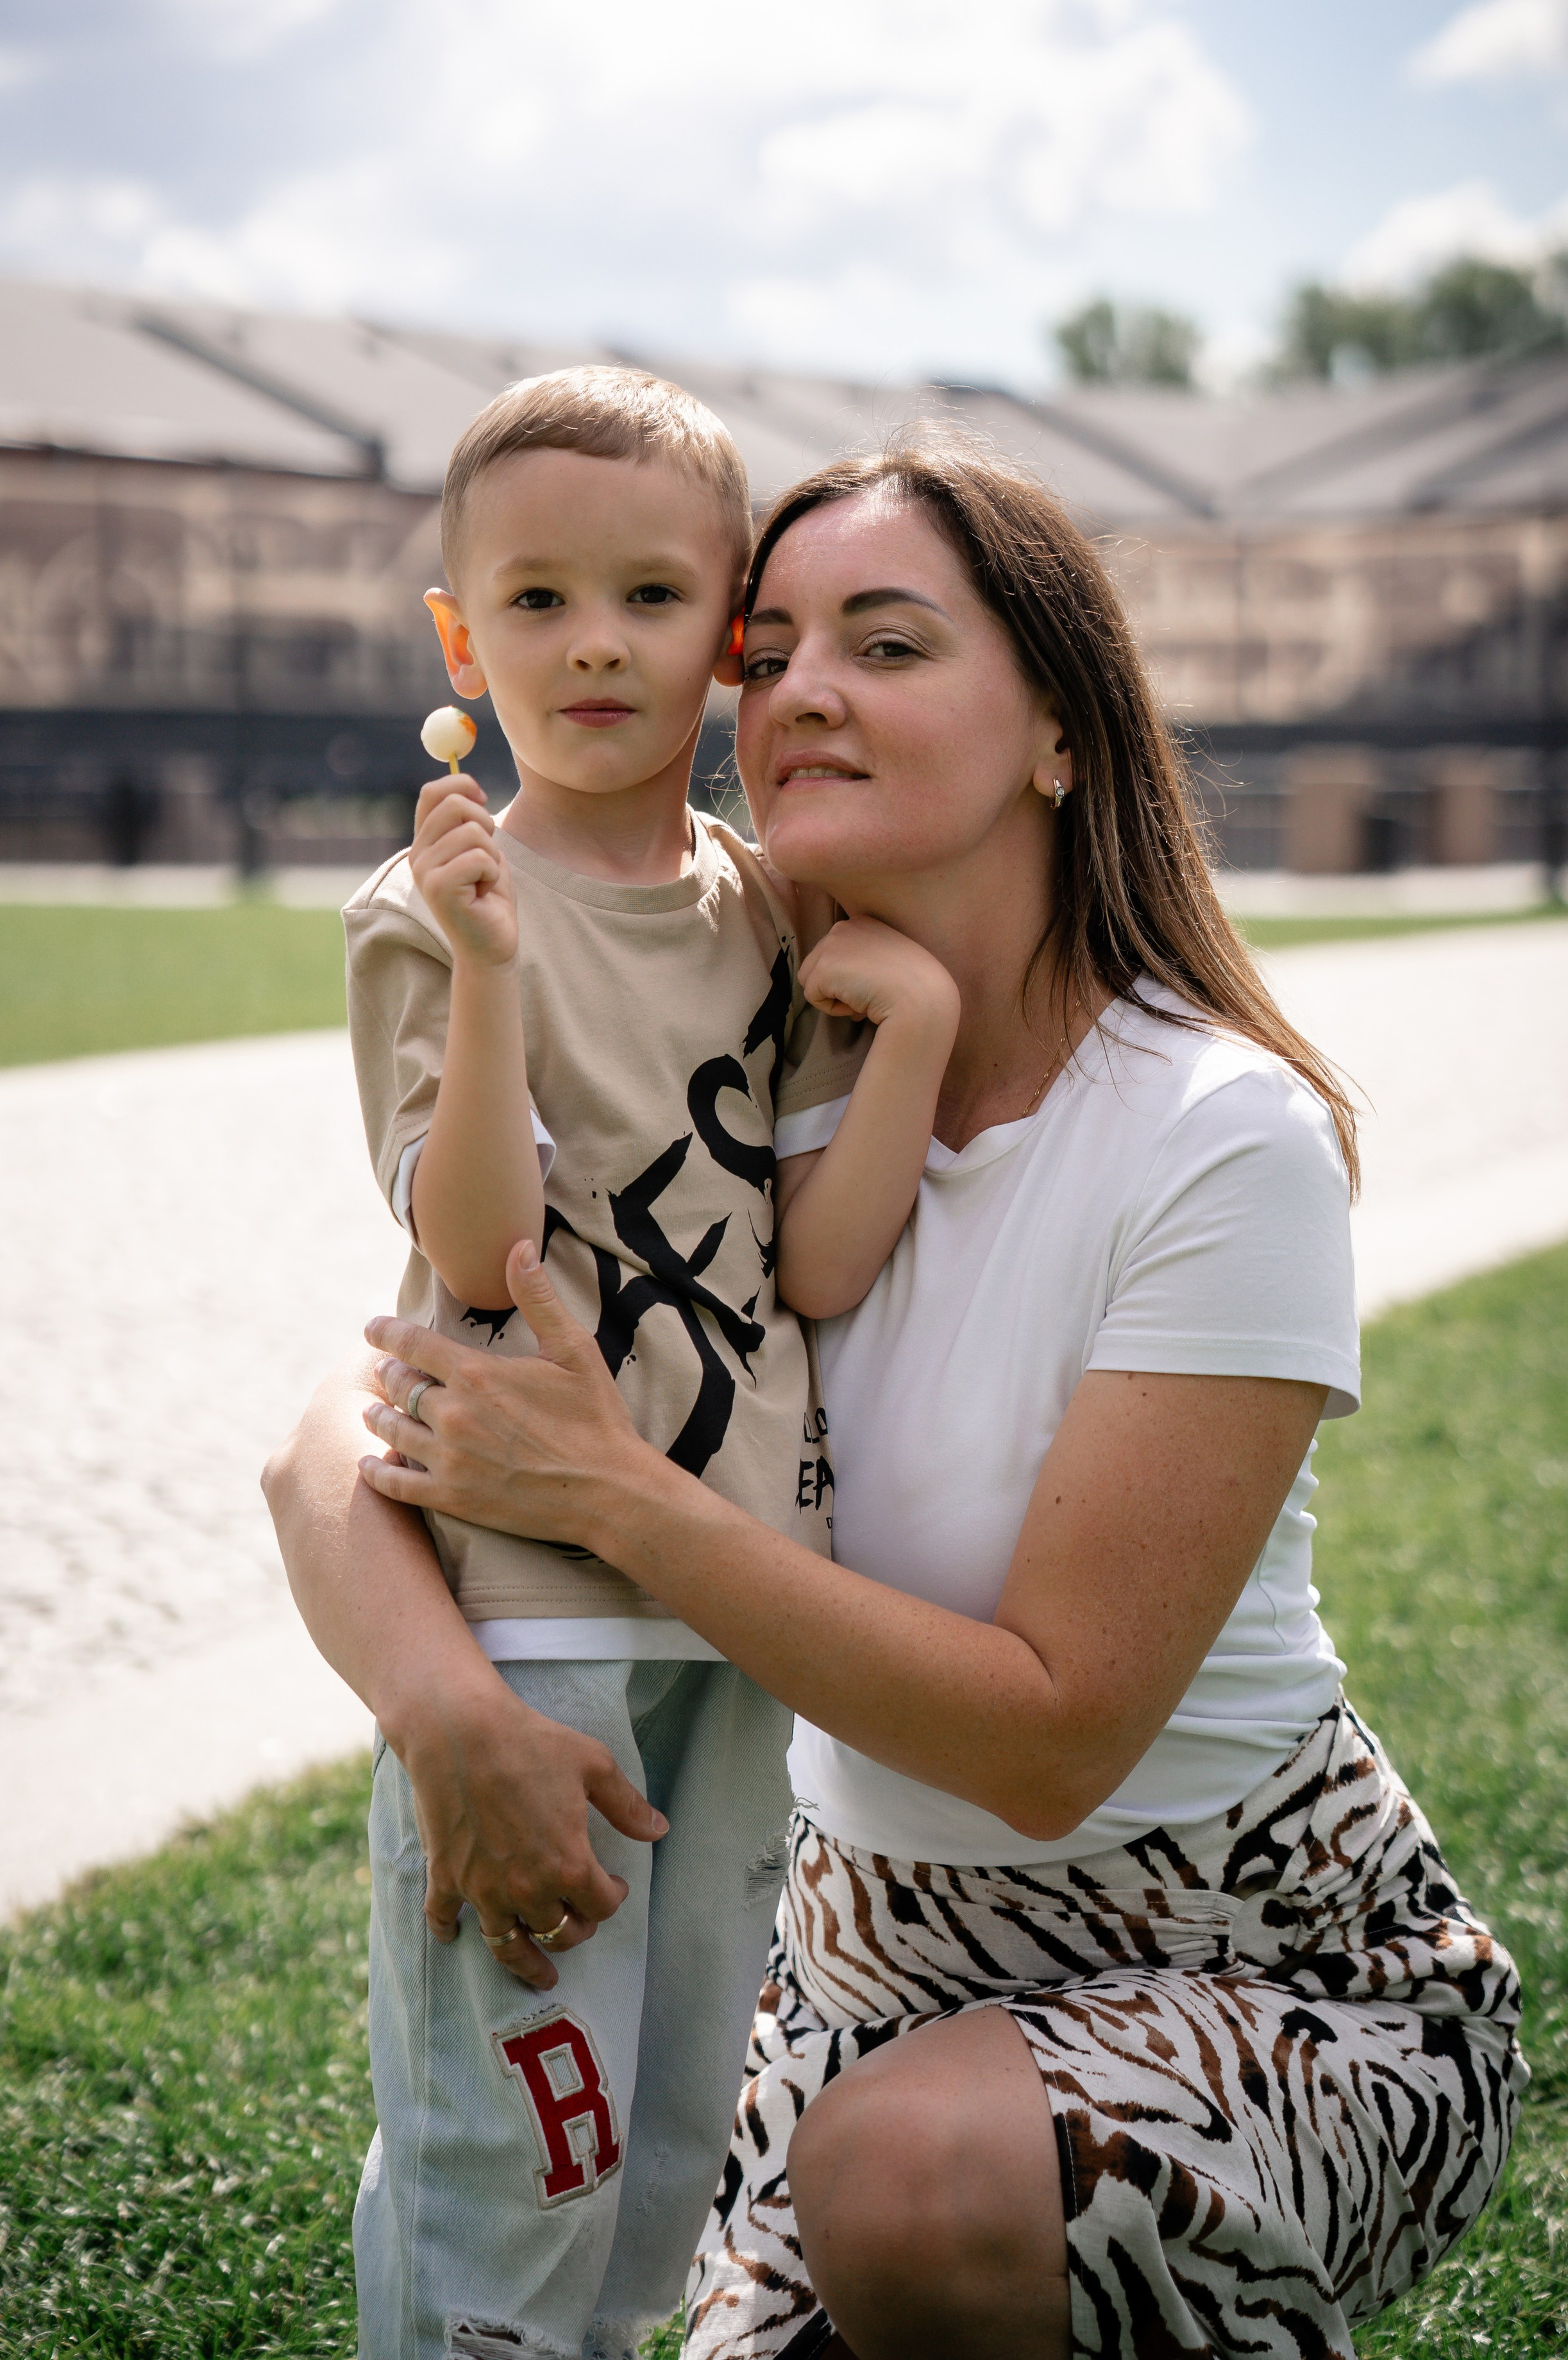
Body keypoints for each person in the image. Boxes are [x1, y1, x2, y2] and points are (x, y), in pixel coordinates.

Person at [266, 435, 1525, 2360]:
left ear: (1059, 734)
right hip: (859, 1966)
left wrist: (620, 1502)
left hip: (1261, 1959)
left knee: (912, 2190)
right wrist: (449, 1709)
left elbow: (1049, 1741)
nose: (800, 693)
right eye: (768, 651)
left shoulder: (1214, 1138)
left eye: (890, 642)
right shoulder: (775, 1068)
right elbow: (339, 1433)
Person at [327, 366, 962, 2360]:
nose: (593, 642)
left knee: (682, 2136)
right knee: (515, 2139)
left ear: (725, 639)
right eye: (534, 602)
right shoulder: (430, 914)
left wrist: (915, 1038)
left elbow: (822, 1264)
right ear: (462, 639)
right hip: (533, 1616)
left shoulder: (764, 910)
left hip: (737, 1602)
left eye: (649, 599)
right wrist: (502, 972)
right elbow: (479, 1244)